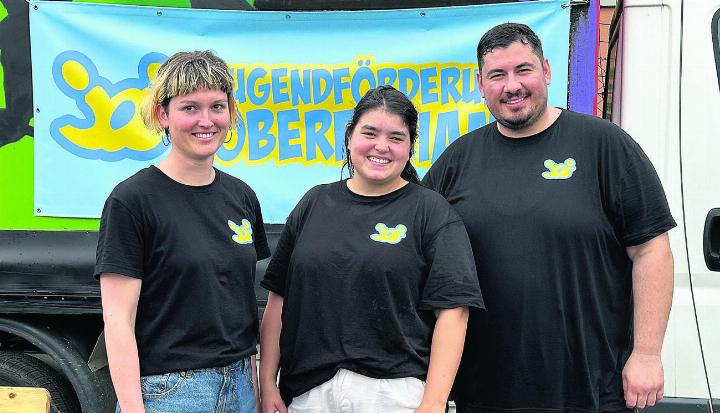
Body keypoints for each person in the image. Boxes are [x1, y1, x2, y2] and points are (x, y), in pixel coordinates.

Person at [422, 23, 676, 413]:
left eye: (523, 70)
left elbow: (650, 250)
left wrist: (646, 353)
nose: (512, 86)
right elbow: (417, 256)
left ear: (547, 70)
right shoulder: (458, 160)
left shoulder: (604, 145)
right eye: (497, 75)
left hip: (593, 386)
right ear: (480, 84)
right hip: (486, 390)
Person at [259, 85, 484, 413]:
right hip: (308, 395)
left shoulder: (431, 212)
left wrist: (434, 403)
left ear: (410, 146)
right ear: (350, 137)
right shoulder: (313, 203)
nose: (382, 146)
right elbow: (278, 300)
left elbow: (453, 313)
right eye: (370, 133)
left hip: (395, 396)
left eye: (396, 137)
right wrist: (268, 381)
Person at [95, 50, 269, 413]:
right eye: (190, 107)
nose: (206, 121)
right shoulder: (132, 200)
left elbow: (240, 307)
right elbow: (118, 321)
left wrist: (255, 384)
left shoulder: (242, 196)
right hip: (170, 393)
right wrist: (132, 409)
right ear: (163, 114)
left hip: (240, 387)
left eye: (217, 107)